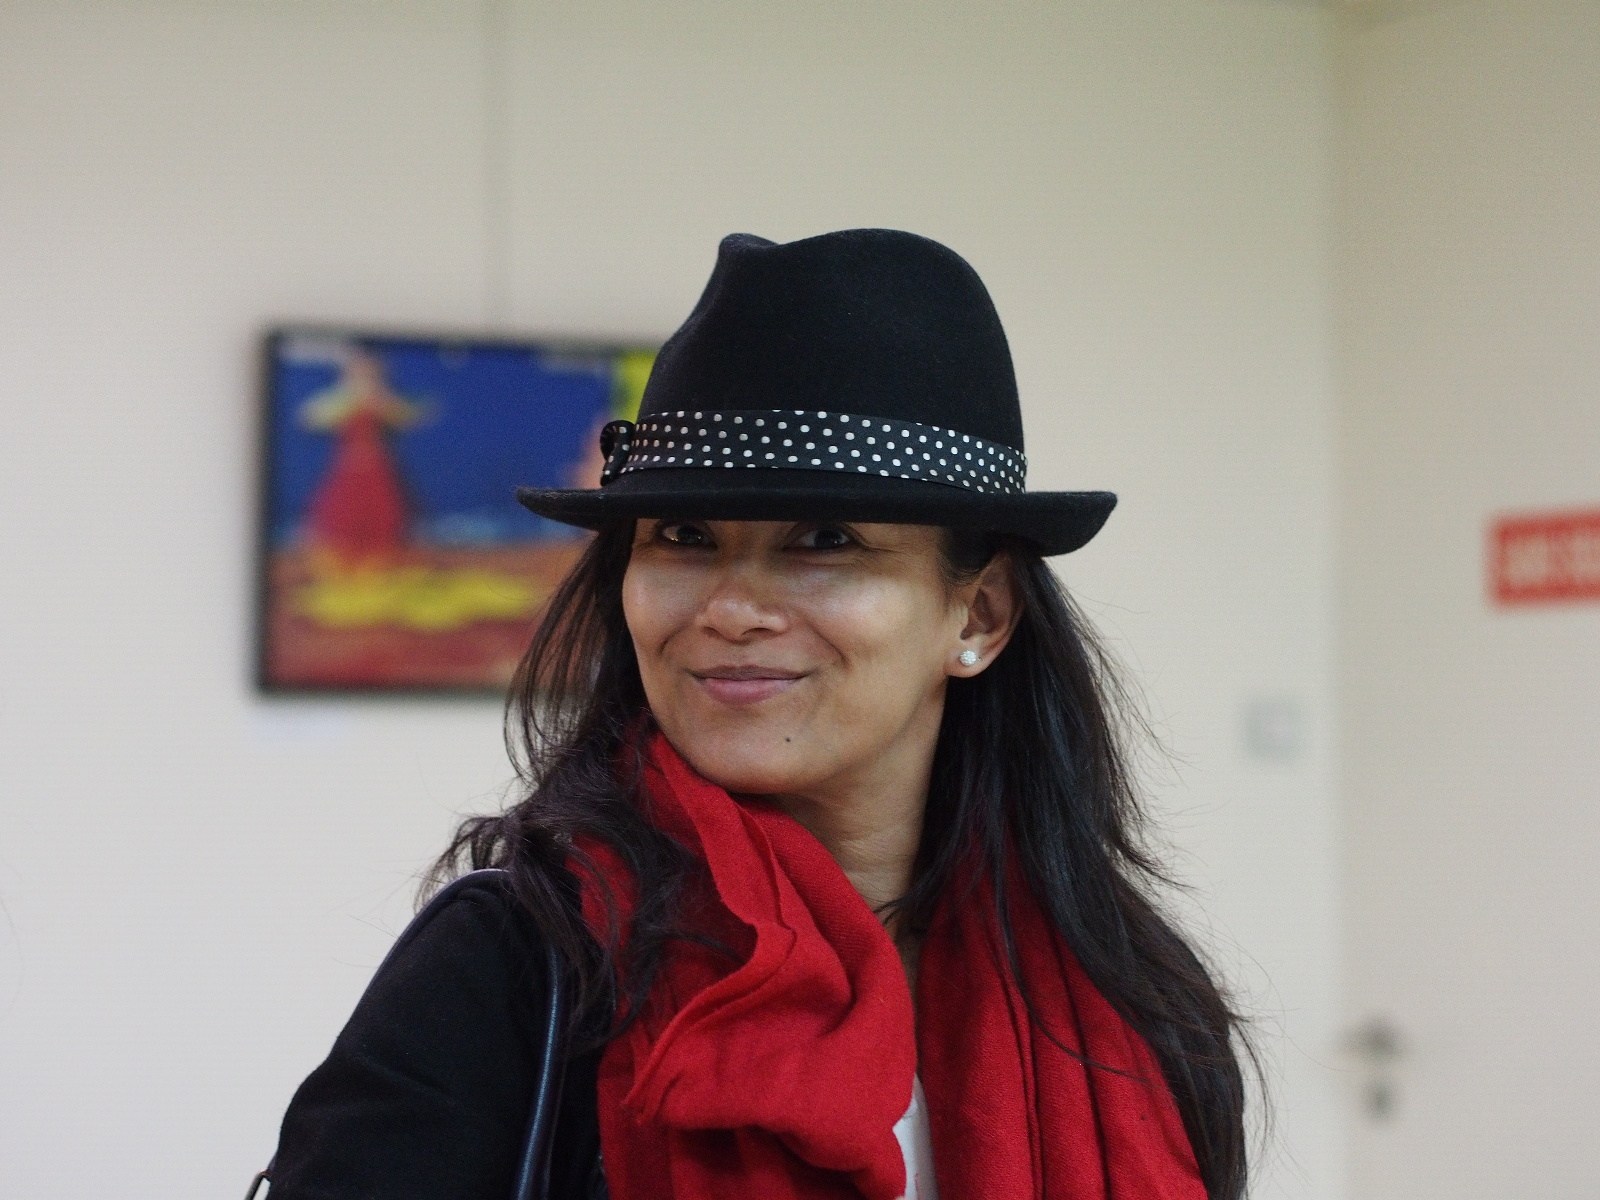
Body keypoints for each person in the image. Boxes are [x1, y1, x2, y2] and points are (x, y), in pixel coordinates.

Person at [264, 229, 1251, 1200]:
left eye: (824, 540)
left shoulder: (1133, 1008)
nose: (731, 609)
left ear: (979, 614)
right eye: (683, 536)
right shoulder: (517, 967)